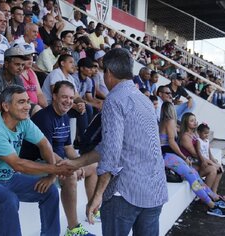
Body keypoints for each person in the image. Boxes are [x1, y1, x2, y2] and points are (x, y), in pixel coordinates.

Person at [58, 48, 168, 235]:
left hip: (125, 192)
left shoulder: (114, 100)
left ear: (108, 72)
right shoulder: (145, 100)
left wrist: (98, 194)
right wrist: (76, 163)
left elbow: (111, 151)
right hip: (154, 189)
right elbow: (112, 144)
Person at [0, 85, 74, 236]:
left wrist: (51, 176)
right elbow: (18, 164)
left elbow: (44, 144)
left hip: (7, 177)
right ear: (6, 106)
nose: (27, 106)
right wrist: (55, 169)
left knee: (50, 191)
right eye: (21, 102)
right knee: (8, 199)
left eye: (28, 101)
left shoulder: (24, 122)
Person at [20, 81, 97, 236]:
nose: (68, 101)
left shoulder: (65, 116)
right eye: (64, 97)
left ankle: (93, 208)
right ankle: (73, 229)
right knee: (70, 175)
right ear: (54, 96)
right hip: (35, 165)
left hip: (56, 161)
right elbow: (46, 153)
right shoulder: (44, 117)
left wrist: (79, 163)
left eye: (71, 98)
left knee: (93, 165)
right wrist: (72, 166)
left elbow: (68, 148)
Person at [159, 102, 225, 217]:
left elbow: (175, 133)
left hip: (167, 155)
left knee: (194, 175)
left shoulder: (164, 121)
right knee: (192, 177)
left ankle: (213, 198)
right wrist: (184, 157)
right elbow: (171, 142)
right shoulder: (170, 121)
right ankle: (211, 205)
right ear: (171, 109)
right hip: (167, 155)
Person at [41, 54, 90, 144]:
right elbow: (56, 97)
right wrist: (75, 106)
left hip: (64, 104)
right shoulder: (56, 73)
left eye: (74, 62)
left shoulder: (70, 78)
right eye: (70, 62)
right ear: (62, 63)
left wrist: (81, 103)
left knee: (87, 107)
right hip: (51, 105)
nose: (73, 65)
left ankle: (84, 139)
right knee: (80, 111)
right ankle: (84, 142)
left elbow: (76, 96)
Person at [180, 113, 223, 194]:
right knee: (213, 169)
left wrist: (215, 162)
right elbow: (195, 154)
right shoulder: (185, 136)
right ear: (186, 122)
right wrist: (212, 164)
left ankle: (214, 193)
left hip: (199, 162)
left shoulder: (195, 134)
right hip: (190, 165)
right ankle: (206, 195)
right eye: (192, 121)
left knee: (219, 169)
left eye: (195, 120)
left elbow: (206, 151)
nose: (195, 122)